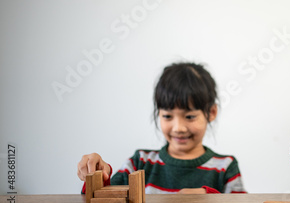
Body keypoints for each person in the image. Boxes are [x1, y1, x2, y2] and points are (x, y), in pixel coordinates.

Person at [77, 62, 246, 194]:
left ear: (211, 112)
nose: (178, 128)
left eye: (189, 117)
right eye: (167, 116)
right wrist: (98, 176)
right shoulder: (140, 162)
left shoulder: (225, 167)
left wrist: (207, 199)